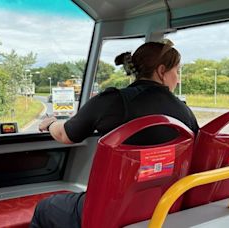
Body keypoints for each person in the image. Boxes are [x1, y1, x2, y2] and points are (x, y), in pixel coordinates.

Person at [30, 40, 199, 228]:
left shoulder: (112, 101)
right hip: (162, 209)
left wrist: (51, 122)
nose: (178, 78)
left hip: (110, 211)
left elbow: (65, 135)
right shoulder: (185, 113)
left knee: (44, 208)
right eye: (177, 71)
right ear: (161, 71)